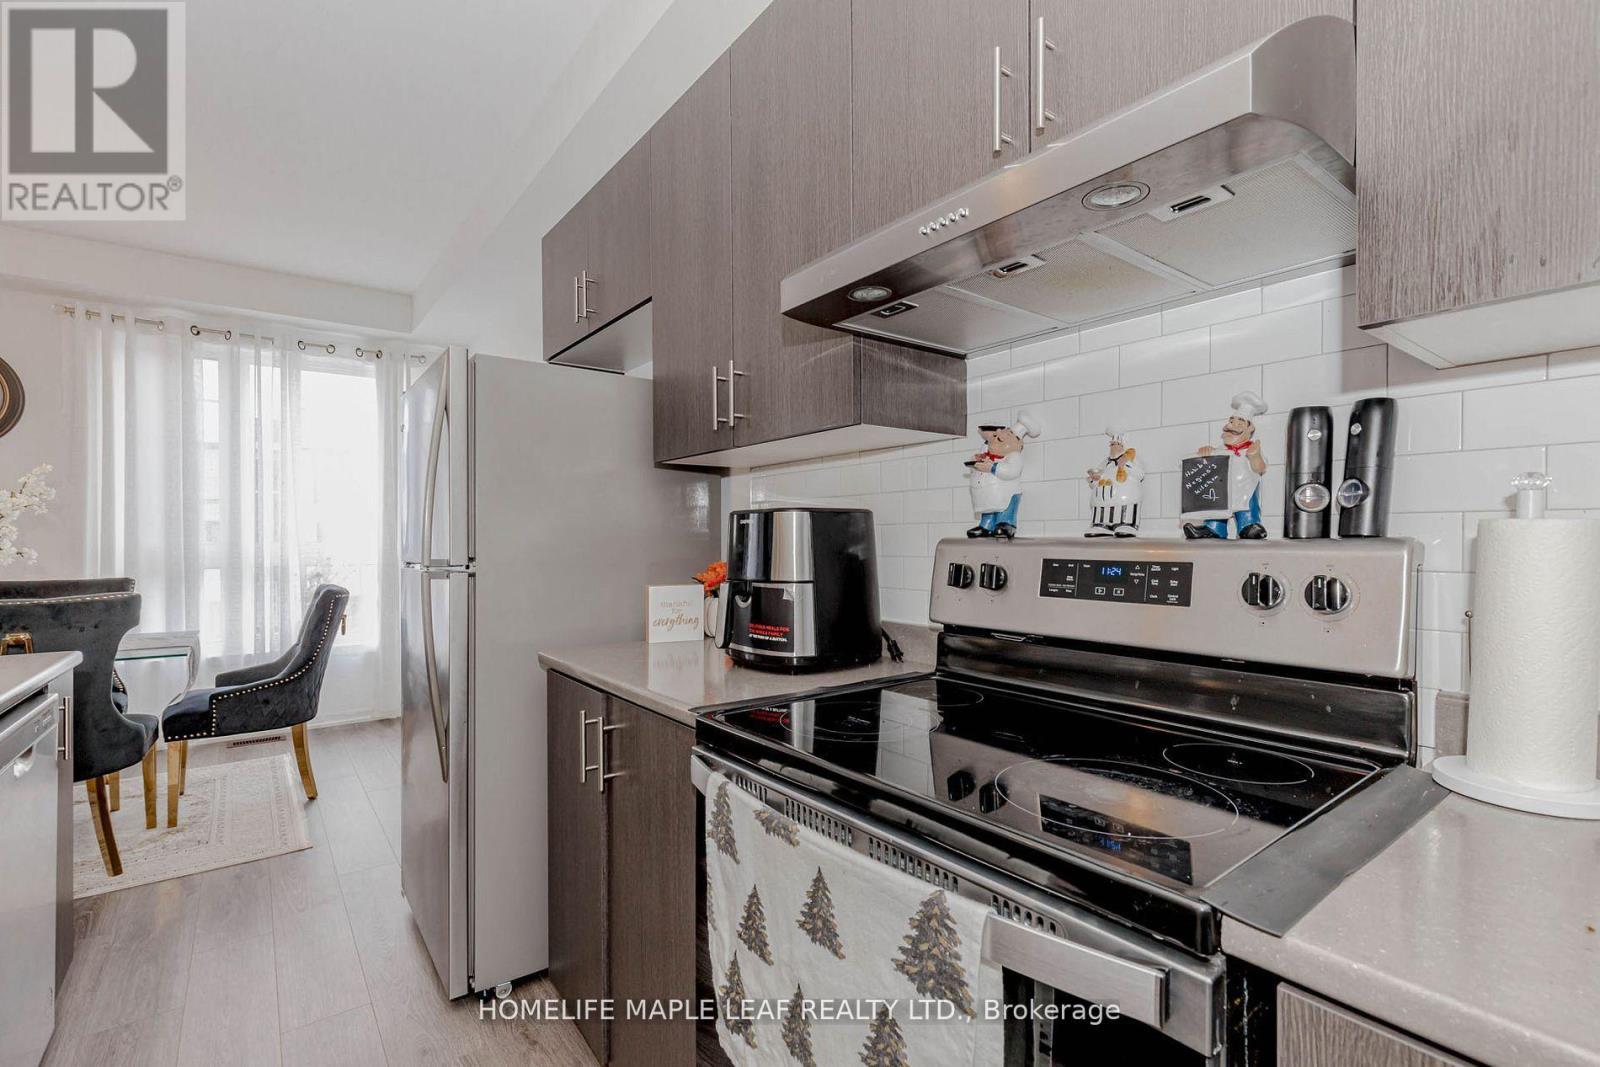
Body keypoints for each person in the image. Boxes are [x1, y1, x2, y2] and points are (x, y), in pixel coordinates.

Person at [1183, 391, 1269, 540]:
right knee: (1215, 507)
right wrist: (1206, 454)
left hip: (1244, 492)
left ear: (1250, 429)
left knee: (1247, 507)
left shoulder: (1250, 450)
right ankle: (1214, 529)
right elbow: (1205, 468)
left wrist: (1255, 455)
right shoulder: (1220, 451)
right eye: (1231, 421)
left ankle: (1249, 525)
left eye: (1240, 423)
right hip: (1220, 493)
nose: (1232, 426)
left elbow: (1260, 468)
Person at [966, 412, 1041, 539]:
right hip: (987, 495)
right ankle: (986, 525)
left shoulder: (1014, 456)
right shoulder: (988, 454)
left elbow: (1012, 471)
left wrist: (992, 467)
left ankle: (1006, 524)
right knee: (988, 509)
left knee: (1004, 509)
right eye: (996, 437)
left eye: (1005, 436)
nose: (998, 437)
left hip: (1007, 494)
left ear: (1018, 443)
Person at [1085, 427, 1143, 538]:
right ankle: (1101, 525)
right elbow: (1097, 476)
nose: (1113, 447)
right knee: (1102, 510)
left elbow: (1140, 474)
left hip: (1125, 499)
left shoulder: (1130, 458)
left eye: (1116, 444)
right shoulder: (1106, 462)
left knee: (1125, 510)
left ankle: (1126, 524)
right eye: (1111, 445)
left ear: (1122, 445)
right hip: (1103, 496)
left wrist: (1126, 463)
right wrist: (1093, 479)